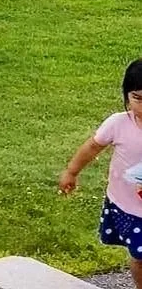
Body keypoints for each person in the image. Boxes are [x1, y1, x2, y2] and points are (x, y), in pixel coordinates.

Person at [59, 59, 142, 289]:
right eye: (138, 98)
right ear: (127, 96)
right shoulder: (118, 124)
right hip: (130, 207)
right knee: (140, 256)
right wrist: (71, 171)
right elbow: (92, 147)